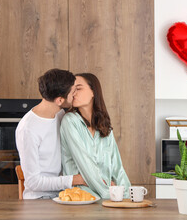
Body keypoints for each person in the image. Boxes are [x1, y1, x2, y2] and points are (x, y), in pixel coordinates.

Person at [16, 69, 87, 199]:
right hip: (40, 199)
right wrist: (74, 180)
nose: (76, 94)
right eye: (73, 92)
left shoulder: (60, 114)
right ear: (60, 100)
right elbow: (33, 183)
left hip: (62, 194)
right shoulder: (27, 129)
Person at [60, 73, 131, 199]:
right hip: (81, 196)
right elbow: (85, 164)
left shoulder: (104, 125)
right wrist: (108, 193)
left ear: (93, 92)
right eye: (72, 89)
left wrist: (128, 194)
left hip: (108, 194)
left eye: (78, 88)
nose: (73, 93)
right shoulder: (69, 121)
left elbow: (117, 167)